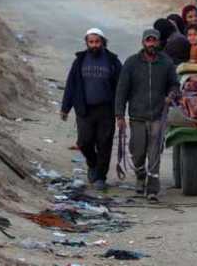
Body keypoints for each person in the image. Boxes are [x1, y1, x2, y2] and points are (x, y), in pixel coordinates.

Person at [115, 29, 180, 202]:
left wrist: (171, 95)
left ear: (158, 42)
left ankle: (152, 189)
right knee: (137, 152)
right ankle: (140, 176)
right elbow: (121, 90)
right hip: (137, 115)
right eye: (148, 40)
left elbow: (174, 84)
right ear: (143, 42)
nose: (151, 43)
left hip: (158, 115)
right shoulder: (131, 63)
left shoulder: (166, 63)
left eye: (154, 40)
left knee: (154, 152)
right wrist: (119, 114)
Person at [60, 28, 122, 190]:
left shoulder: (112, 61)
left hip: (106, 110)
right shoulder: (80, 61)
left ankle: (100, 176)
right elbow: (71, 85)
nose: (94, 45)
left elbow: (121, 86)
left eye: (97, 42)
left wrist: (120, 110)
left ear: (103, 42)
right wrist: (65, 108)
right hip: (85, 109)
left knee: (104, 143)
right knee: (84, 142)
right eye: (91, 42)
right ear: (87, 43)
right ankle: (92, 164)